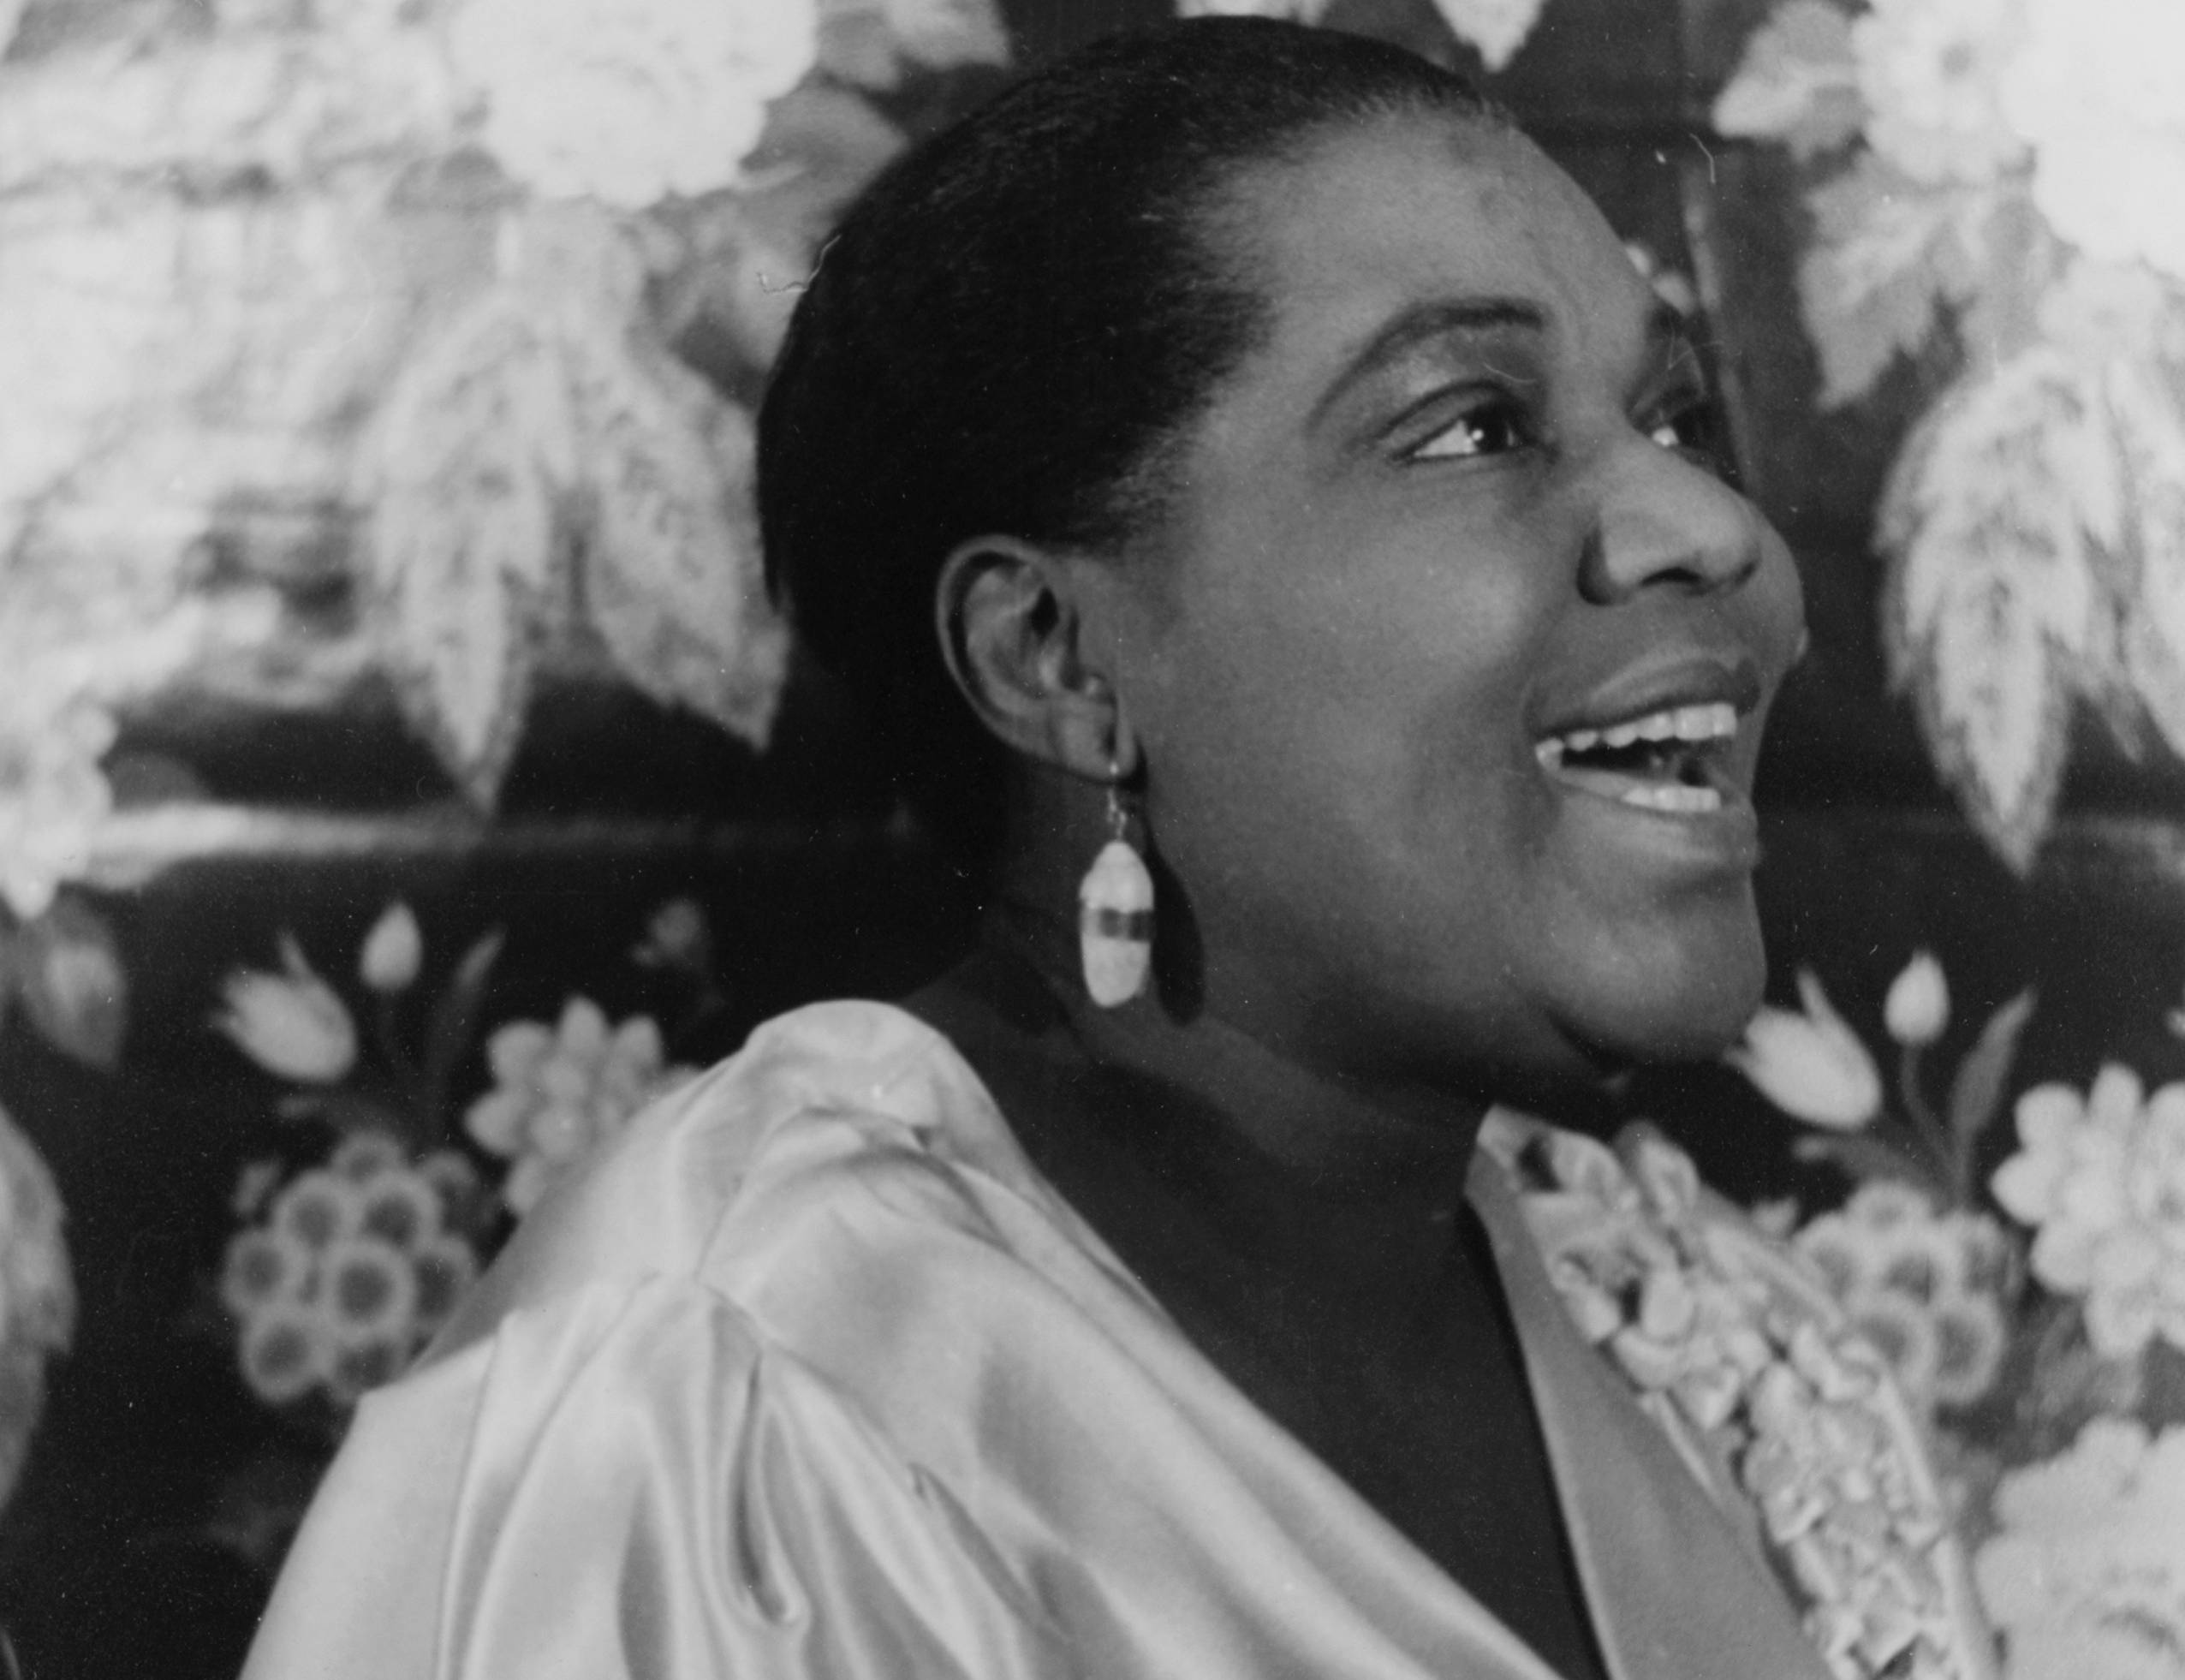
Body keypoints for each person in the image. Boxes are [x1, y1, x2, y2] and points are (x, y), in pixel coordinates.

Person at [243, 21, 1996, 1680]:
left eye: (1674, 417)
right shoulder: (733, 1392)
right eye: (1471, 426)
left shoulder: (1718, 1368)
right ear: (1059, 662)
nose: (1709, 526)